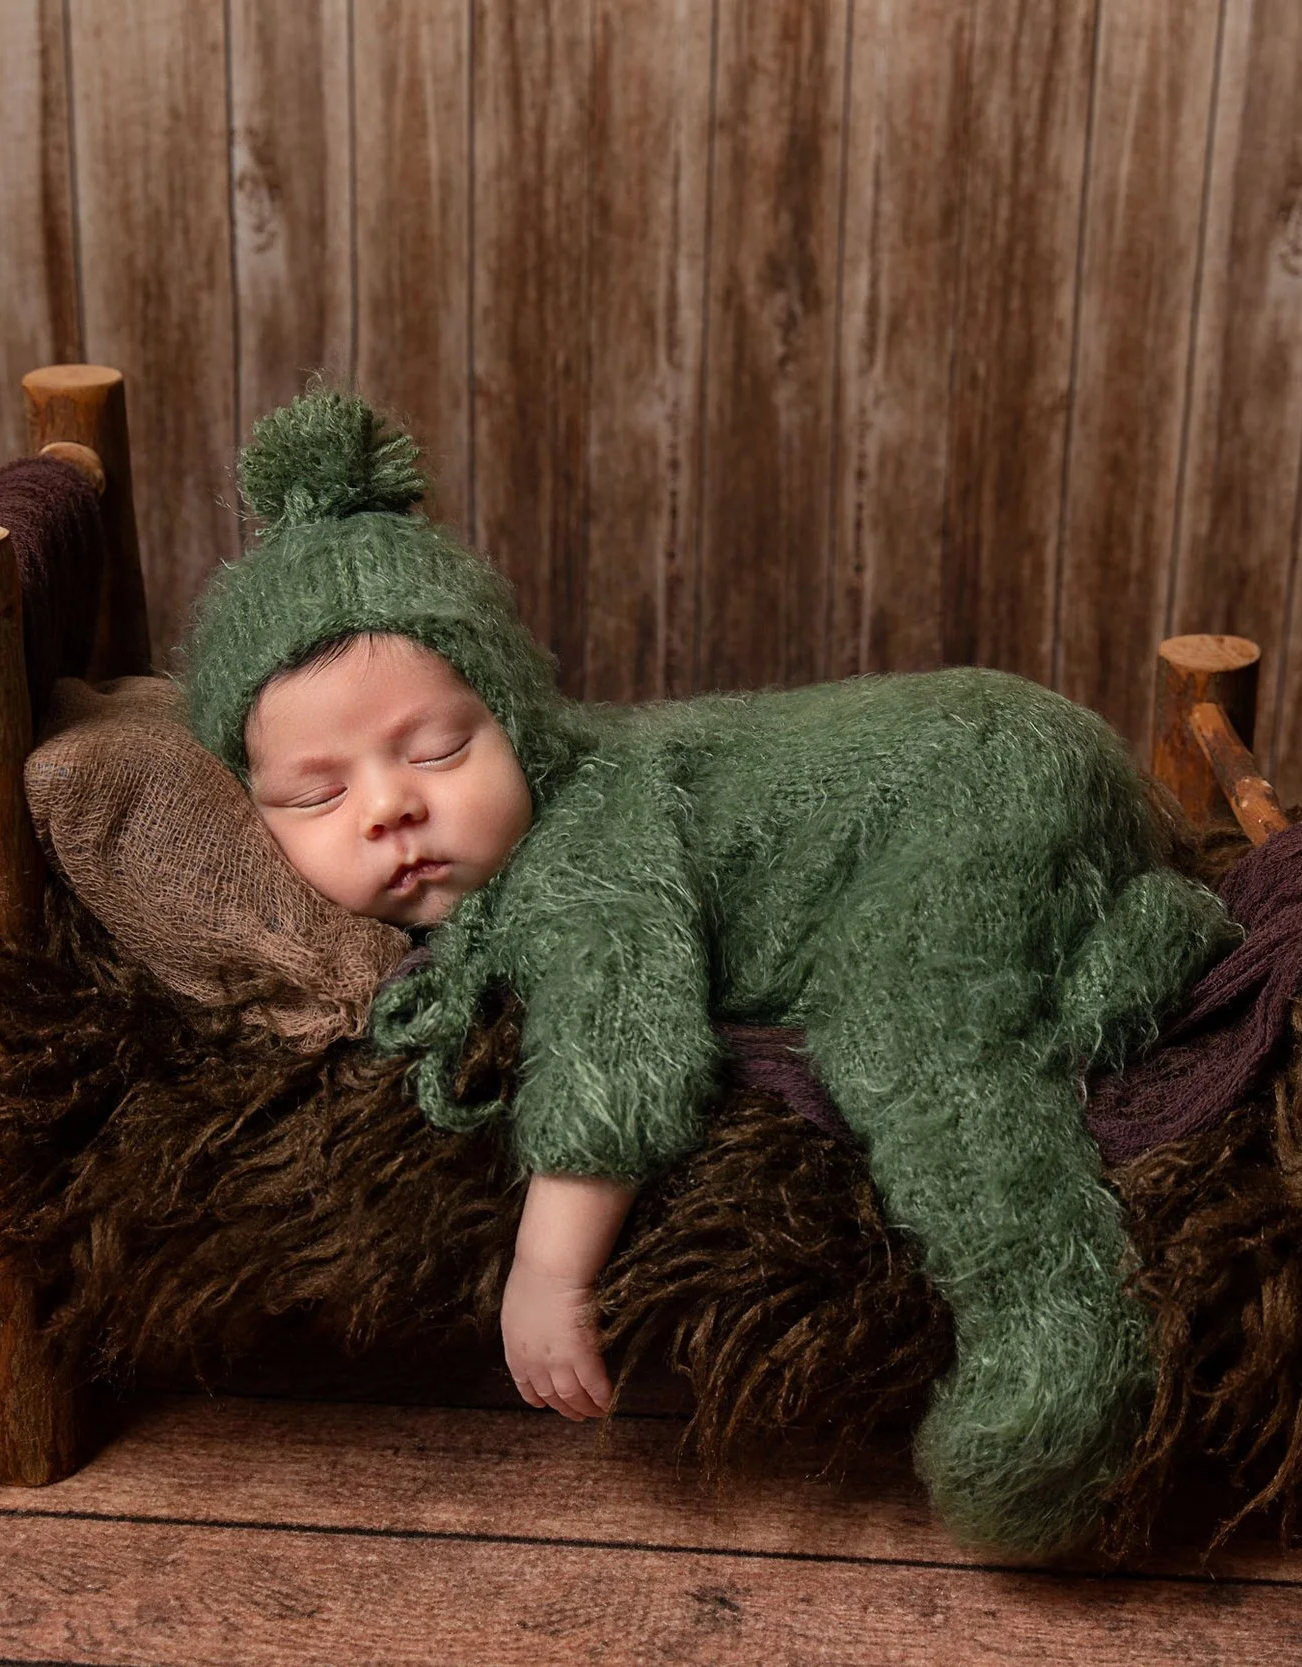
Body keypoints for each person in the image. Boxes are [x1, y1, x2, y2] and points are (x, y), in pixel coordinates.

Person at [182, 384, 1238, 1556]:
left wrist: (548, 1270)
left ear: (520, 724)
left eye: (437, 748)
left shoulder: (582, 842)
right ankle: (1134, 936)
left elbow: (620, 1046)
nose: (390, 806)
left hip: (970, 777)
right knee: (1012, 969)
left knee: (907, 1027)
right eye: (317, 795)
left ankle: (1057, 1345)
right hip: (1013, 756)